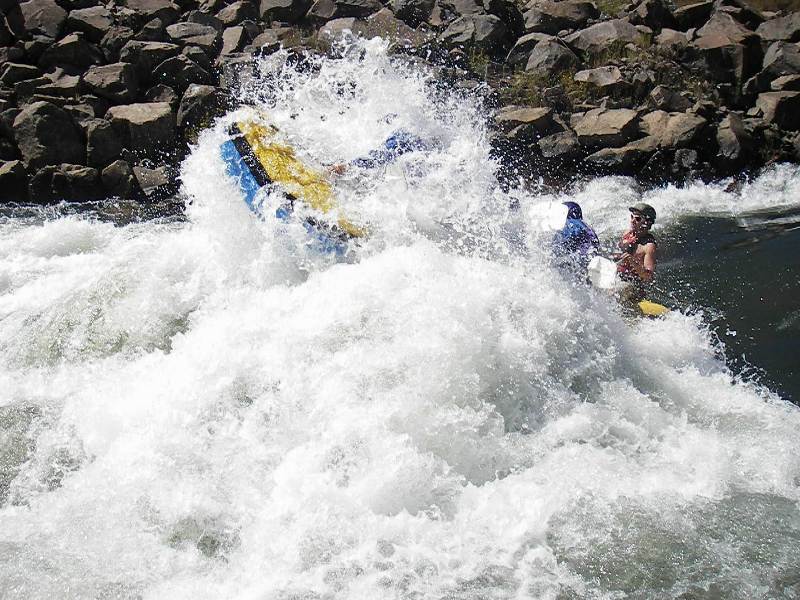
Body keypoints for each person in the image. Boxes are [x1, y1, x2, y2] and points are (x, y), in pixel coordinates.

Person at [615, 202, 657, 304]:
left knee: (615, 291)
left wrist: (632, 261)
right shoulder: (627, 233)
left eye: (637, 219)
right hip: (617, 278)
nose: (633, 221)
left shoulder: (648, 246)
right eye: (632, 217)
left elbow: (648, 276)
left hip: (633, 286)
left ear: (647, 223)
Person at [552, 201, 600, 278]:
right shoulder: (586, 226)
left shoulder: (569, 224)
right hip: (589, 258)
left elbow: (558, 246)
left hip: (576, 260)